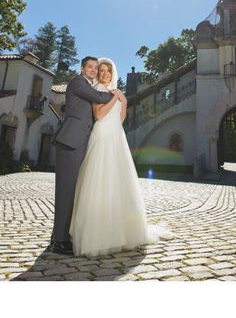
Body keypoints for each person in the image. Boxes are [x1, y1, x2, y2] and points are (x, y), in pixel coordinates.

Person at [68, 58, 173, 257]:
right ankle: (97, 234)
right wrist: (114, 100)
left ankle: (120, 232)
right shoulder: (97, 89)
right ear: (98, 73)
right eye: (102, 71)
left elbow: (120, 119)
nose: (105, 74)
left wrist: (123, 103)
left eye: (108, 71)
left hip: (117, 135)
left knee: (118, 181)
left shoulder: (115, 91)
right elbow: (98, 115)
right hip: (102, 135)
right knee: (99, 179)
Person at [47, 56, 117, 255]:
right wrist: (115, 93)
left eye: (96, 68)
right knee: (66, 193)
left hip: (79, 144)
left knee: (73, 194)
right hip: (70, 142)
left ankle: (59, 235)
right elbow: (101, 98)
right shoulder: (78, 83)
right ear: (82, 68)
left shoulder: (88, 85)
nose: (94, 70)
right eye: (91, 67)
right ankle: (59, 241)